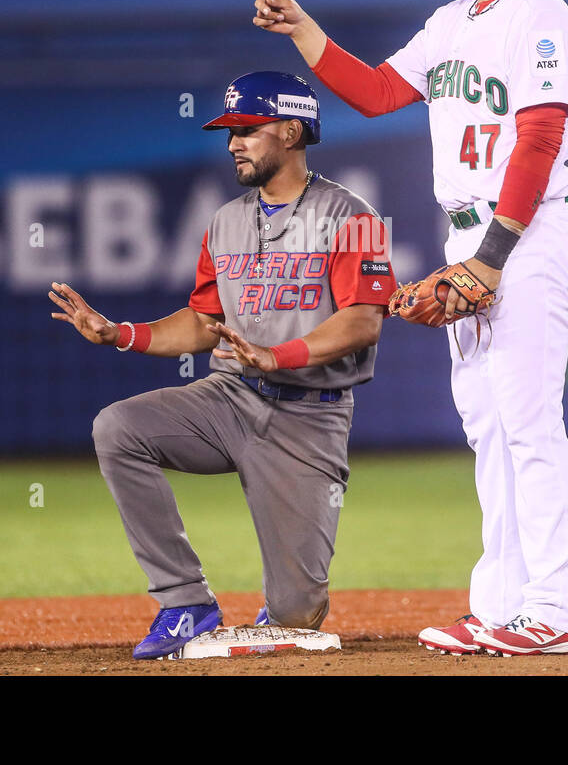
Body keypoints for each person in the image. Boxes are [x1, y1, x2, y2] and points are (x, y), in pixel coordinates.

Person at [235, 0, 568, 657]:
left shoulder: (542, 21)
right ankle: (503, 604)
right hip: (471, 240)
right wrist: (302, 28)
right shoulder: (451, 23)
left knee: (529, 424)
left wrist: (493, 258)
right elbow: (371, 93)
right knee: (490, 428)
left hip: (524, 236)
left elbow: (536, 142)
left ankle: (556, 610)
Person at [49, 71, 396, 660]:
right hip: (229, 399)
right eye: (228, 131)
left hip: (307, 420)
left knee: (294, 619)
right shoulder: (225, 221)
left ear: (291, 130)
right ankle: (185, 603)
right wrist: (120, 335)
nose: (233, 142)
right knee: (118, 427)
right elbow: (203, 321)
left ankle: (286, 602)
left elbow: (363, 322)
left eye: (247, 129)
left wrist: (277, 354)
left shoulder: (350, 214)